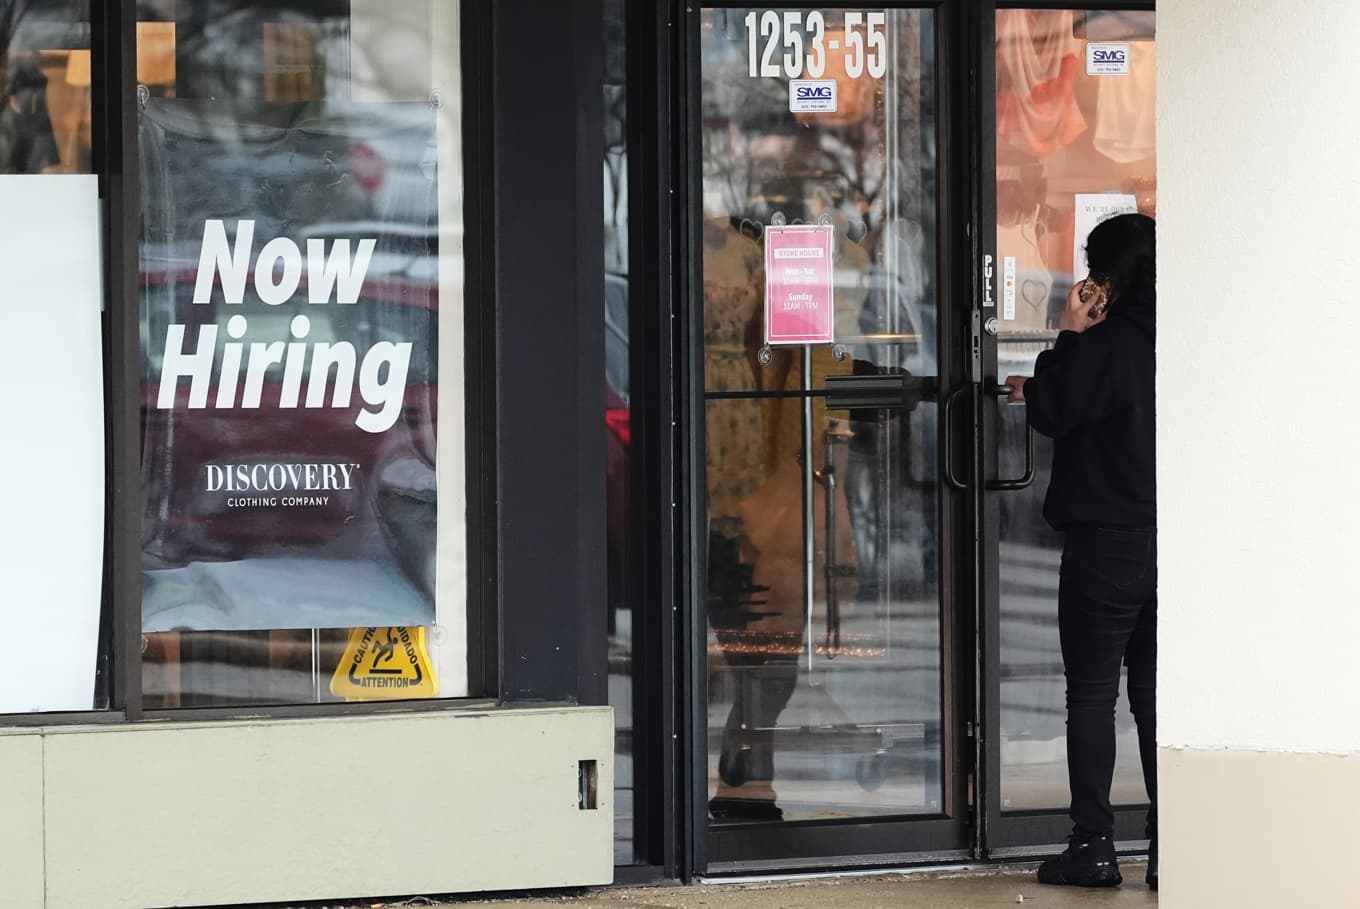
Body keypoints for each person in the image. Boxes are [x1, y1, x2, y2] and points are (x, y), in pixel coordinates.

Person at [1004, 212, 1157, 891]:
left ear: (1107, 277)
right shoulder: (1183, 338)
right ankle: (1171, 846)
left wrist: (1066, 334)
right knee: (1156, 698)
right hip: (1172, 544)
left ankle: (1094, 844)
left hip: (1106, 543)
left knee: (1093, 692)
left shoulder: (1104, 345)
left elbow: (1056, 409)